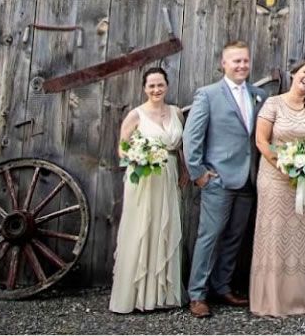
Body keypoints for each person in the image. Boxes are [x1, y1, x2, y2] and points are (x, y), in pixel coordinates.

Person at [181, 41, 265, 318]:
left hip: (248, 179)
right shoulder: (208, 95)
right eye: (236, 61)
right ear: (224, 64)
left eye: (245, 60)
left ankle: (223, 286)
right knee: (209, 236)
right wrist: (199, 174)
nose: (242, 65)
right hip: (217, 179)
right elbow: (191, 137)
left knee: (234, 237)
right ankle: (197, 294)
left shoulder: (259, 95)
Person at [249, 62, 305, 317]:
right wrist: (283, 165)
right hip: (275, 178)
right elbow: (261, 140)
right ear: (293, 74)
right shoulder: (273, 103)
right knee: (275, 233)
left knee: (303, 236)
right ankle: (272, 300)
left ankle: (301, 299)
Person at [108, 68, 184, 313]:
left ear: (167, 86)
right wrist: (138, 157)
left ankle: (161, 294)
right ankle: (135, 295)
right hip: (144, 179)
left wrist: (184, 172)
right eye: (151, 86)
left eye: (160, 85)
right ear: (144, 88)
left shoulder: (176, 112)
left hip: (168, 176)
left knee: (165, 228)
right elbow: (122, 148)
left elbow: (179, 148)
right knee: (142, 228)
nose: (156, 90)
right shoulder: (136, 114)